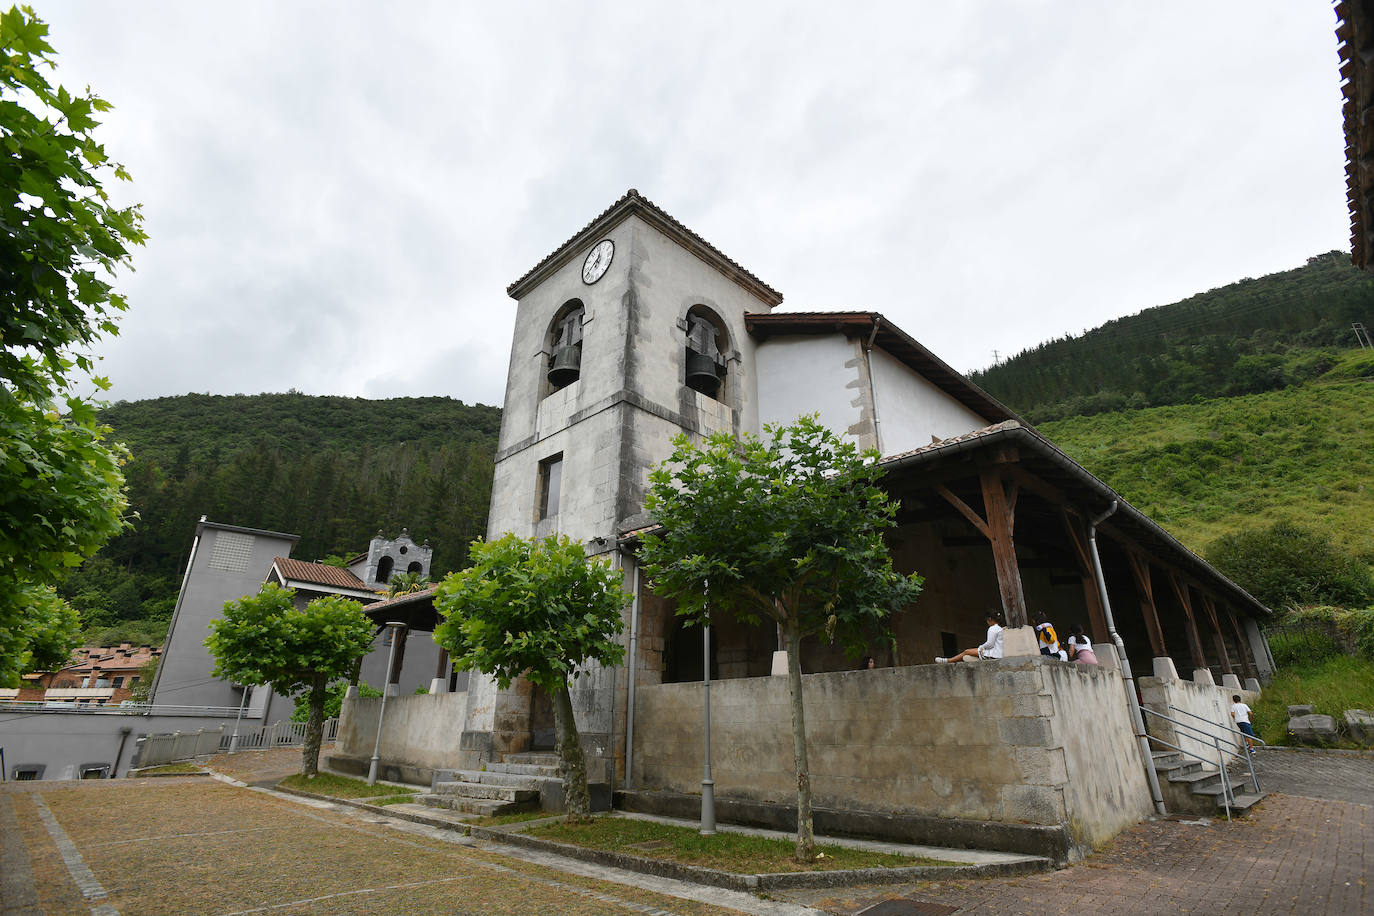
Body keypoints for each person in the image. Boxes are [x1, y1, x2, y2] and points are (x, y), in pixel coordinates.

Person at [937, 612, 1004, 663]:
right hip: (999, 653)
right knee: (968, 654)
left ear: (989, 619)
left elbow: (990, 644)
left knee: (966, 651)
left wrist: (981, 647)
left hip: (993, 654)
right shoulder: (999, 628)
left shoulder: (992, 628)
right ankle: (948, 660)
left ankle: (947, 660)